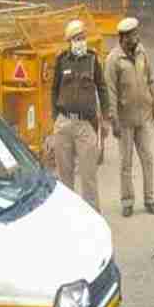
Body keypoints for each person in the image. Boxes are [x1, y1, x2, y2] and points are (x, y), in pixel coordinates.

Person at [51, 19, 109, 212]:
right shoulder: (61, 61)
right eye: (76, 38)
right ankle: (68, 216)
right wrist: (56, 119)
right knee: (64, 176)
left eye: (83, 37)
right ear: (69, 41)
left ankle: (93, 216)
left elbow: (102, 88)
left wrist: (106, 117)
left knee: (88, 176)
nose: (81, 41)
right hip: (64, 123)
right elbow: (54, 89)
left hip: (86, 125)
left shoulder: (92, 60)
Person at [104, 17, 154, 218]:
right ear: (123, 37)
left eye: (137, 33)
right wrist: (114, 120)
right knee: (126, 163)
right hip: (125, 120)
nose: (136, 37)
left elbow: (150, 79)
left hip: (143, 117)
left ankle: (149, 198)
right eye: (132, 35)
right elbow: (110, 91)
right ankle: (127, 201)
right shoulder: (113, 59)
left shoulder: (142, 52)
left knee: (148, 159)